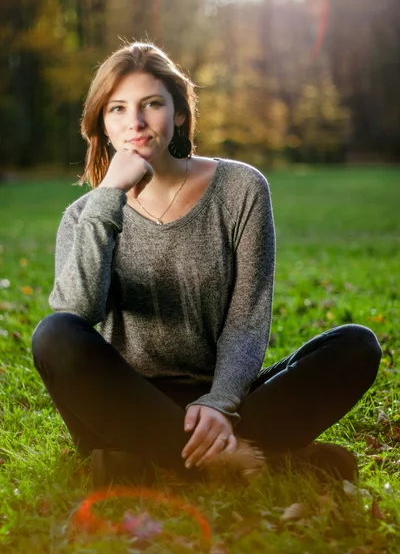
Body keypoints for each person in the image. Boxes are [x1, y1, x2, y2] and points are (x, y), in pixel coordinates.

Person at [31, 42, 382, 488]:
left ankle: (147, 462)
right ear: (102, 122)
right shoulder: (85, 214)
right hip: (123, 403)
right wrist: (109, 199)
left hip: (220, 398)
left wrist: (219, 401)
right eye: (117, 109)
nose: (134, 123)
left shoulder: (240, 189)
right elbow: (78, 314)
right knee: (53, 334)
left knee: (356, 346)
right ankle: (250, 459)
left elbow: (247, 322)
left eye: (151, 104)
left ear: (178, 112)